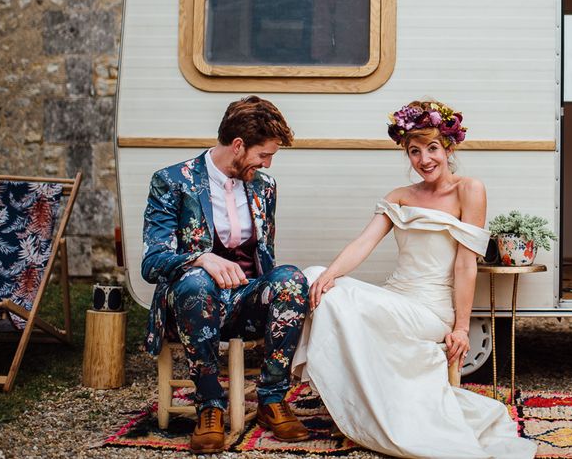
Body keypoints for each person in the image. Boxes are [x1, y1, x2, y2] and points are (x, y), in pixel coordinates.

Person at [293, 100, 537, 459]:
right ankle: (355, 397)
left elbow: (465, 264)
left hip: (430, 309)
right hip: (395, 298)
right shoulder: (400, 197)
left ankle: (381, 408)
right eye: (414, 151)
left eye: (433, 148)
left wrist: (460, 326)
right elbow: (364, 243)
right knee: (312, 276)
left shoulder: (469, 190)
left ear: (449, 147)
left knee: (338, 296)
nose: (425, 159)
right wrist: (329, 275)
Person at [141, 96, 310, 454]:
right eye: (264, 155)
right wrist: (202, 258)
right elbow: (152, 261)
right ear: (238, 145)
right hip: (191, 306)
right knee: (197, 282)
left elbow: (266, 256)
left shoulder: (265, 186)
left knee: (292, 278)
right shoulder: (173, 181)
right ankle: (209, 406)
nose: (267, 163)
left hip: (243, 302)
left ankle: (272, 400)